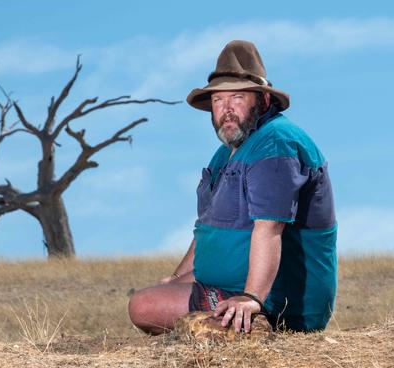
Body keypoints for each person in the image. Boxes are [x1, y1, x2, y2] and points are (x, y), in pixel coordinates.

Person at [128, 40, 337, 334]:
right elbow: (207, 228)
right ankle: (224, 323)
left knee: (144, 306)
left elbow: (270, 228)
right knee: (161, 291)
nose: (226, 110)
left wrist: (252, 298)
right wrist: (176, 277)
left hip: (280, 297)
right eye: (217, 101)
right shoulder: (227, 151)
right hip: (228, 282)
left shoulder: (275, 144)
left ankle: (260, 323)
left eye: (237, 98)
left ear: (263, 101)